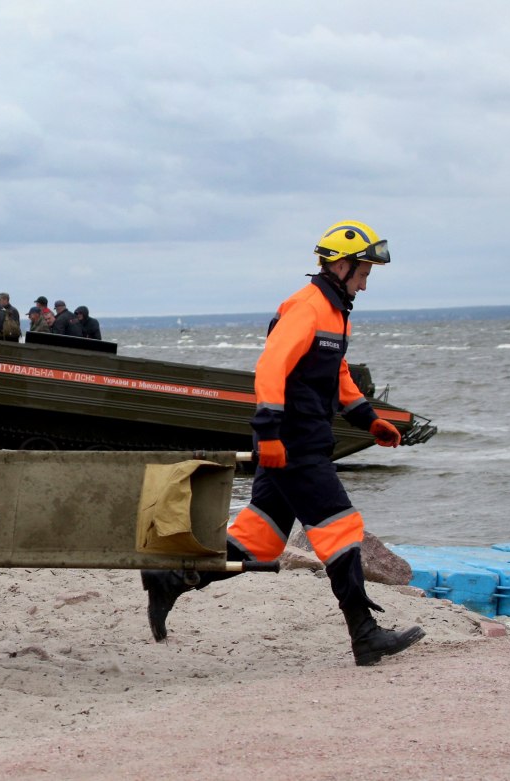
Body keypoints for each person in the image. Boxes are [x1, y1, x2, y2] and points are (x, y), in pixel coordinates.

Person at [140, 219, 424, 667]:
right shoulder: (306, 308)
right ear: (342, 265)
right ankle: (365, 634)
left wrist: (370, 420)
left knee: (261, 540)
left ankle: (170, 579)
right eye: (364, 273)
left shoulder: (335, 314)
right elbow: (270, 369)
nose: (366, 284)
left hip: (299, 440)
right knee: (342, 529)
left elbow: (337, 374)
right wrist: (270, 434)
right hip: (293, 442)